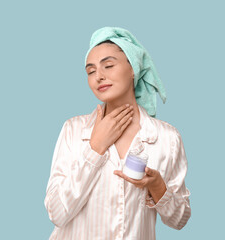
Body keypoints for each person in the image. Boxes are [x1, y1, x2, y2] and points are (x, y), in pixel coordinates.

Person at [44, 27, 191, 240]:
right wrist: (95, 148)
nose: (99, 76)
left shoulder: (167, 138)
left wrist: (157, 186)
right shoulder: (74, 130)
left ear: (134, 68)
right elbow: (56, 213)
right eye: (91, 71)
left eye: (109, 65)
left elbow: (179, 220)